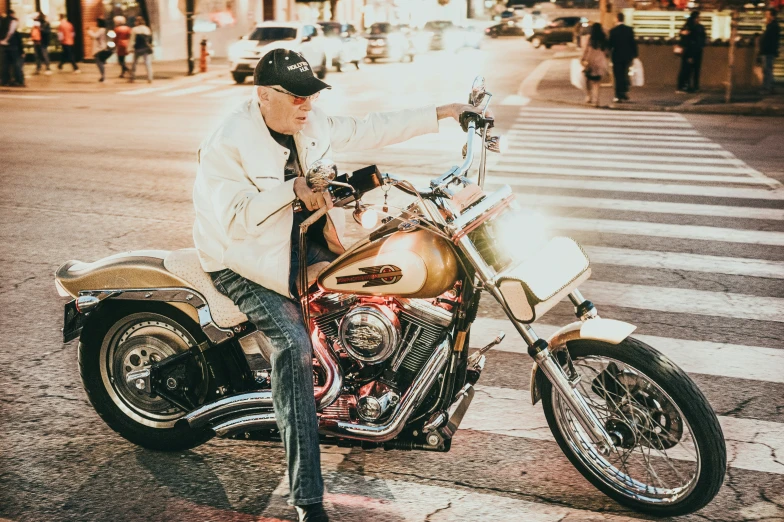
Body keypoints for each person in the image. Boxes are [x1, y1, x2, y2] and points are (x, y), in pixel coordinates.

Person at [193, 48, 486, 522]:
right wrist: (290, 191)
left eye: (310, 96)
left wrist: (445, 112)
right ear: (264, 95)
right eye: (296, 98)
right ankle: (307, 498)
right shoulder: (228, 140)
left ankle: (366, 377)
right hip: (242, 258)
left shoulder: (309, 122)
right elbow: (233, 219)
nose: (307, 106)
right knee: (293, 343)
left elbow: (368, 127)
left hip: (299, 238)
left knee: (382, 271)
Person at [608, 12, 637, 102]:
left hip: (616, 56)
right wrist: (635, 55)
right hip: (627, 56)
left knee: (617, 75)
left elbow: (610, 44)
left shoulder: (613, 31)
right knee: (625, 74)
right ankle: (624, 93)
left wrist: (608, 54)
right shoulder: (629, 30)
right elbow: (633, 43)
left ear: (617, 19)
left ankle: (618, 94)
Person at [677, 11, 706, 93]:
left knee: (691, 69)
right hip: (691, 51)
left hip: (693, 51)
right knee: (689, 69)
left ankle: (690, 86)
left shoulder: (691, 27)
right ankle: (689, 86)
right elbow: (688, 39)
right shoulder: (692, 27)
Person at [582, 23, 609, 107]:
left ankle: (588, 96)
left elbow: (586, 50)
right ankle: (596, 99)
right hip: (600, 61)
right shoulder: (604, 38)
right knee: (597, 82)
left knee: (588, 79)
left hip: (591, 60)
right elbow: (606, 51)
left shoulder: (590, 38)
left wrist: (583, 58)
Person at [0, 9, 24, 87]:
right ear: (12, 14)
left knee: (4, 64)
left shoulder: (2, 21)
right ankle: (18, 80)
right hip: (13, 45)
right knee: (16, 63)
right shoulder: (13, 21)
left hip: (3, 46)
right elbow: (11, 32)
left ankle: (5, 80)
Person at [759, 8, 780, 95]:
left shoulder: (773, 26)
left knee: (767, 70)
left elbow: (769, 40)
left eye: (767, 15)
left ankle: (767, 88)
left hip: (768, 52)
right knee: (768, 70)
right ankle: (770, 87)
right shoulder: (771, 26)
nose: (766, 17)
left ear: (772, 16)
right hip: (767, 52)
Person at [129, 16, 153, 83]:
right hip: (146, 48)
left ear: (136, 22)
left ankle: (132, 77)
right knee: (147, 63)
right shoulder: (147, 29)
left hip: (138, 48)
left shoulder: (134, 29)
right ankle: (150, 77)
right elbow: (150, 39)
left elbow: (132, 40)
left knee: (134, 63)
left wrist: (130, 48)